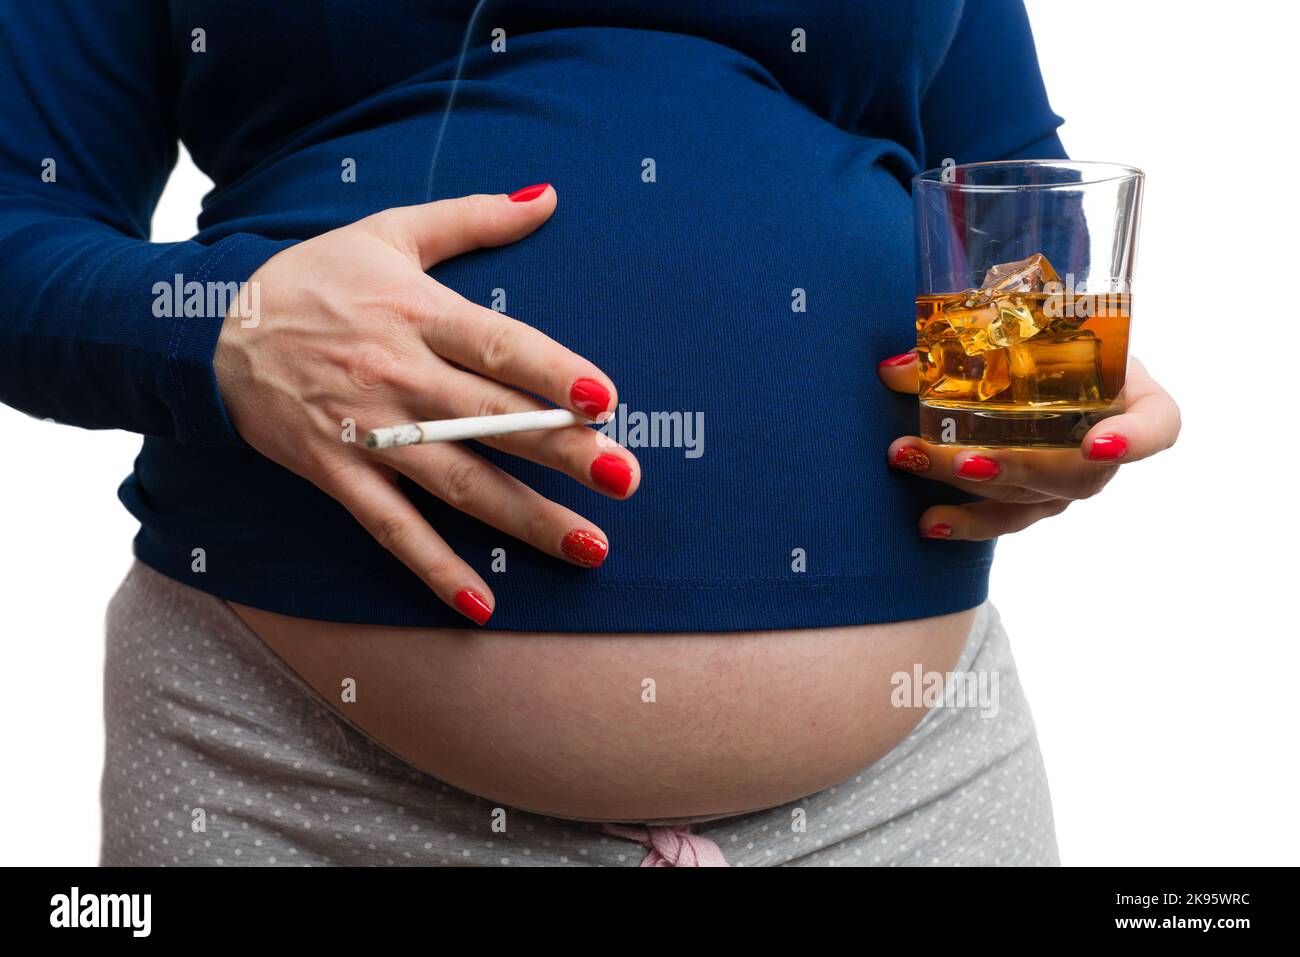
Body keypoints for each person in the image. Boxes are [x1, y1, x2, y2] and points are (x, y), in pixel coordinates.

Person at [0, 0, 1179, 866]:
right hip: (301, 783)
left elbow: (1015, 207)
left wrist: (1066, 397)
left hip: (909, 799)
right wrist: (220, 327)